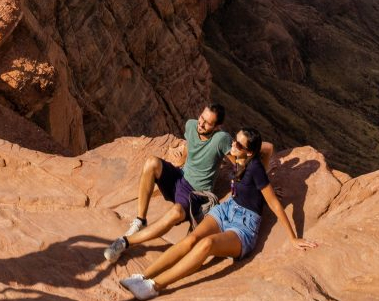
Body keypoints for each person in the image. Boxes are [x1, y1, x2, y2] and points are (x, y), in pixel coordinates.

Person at [121, 127, 315, 300]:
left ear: (249, 152)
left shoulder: (255, 168)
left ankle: (154, 286)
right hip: (226, 209)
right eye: (234, 139)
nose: (232, 144)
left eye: (238, 144)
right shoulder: (239, 158)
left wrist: (293, 238)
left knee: (207, 244)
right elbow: (268, 147)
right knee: (191, 239)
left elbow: (274, 204)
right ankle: (143, 276)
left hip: (244, 225)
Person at [103, 103, 269, 263]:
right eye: (201, 118)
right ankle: (140, 220)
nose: (201, 124)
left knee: (176, 212)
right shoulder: (191, 125)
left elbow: (240, 163)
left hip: (195, 193)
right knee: (152, 162)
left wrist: (262, 185)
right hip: (180, 177)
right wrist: (182, 161)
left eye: (207, 123)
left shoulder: (221, 139)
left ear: (217, 126)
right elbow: (191, 145)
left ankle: (125, 242)